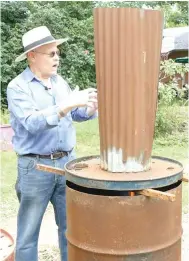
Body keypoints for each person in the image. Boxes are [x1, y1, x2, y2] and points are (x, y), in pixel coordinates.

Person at [7, 26, 98, 261]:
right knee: (28, 233)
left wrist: (89, 108)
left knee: (70, 228)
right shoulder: (17, 87)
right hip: (35, 167)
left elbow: (74, 115)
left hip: (67, 164)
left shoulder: (59, 82)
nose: (57, 58)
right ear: (32, 56)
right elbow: (32, 123)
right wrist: (67, 105)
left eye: (57, 53)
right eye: (51, 54)